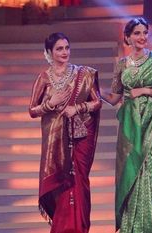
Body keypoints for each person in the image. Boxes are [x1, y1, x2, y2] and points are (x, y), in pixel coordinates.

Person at [100, 17, 152, 233]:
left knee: (150, 176)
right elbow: (115, 98)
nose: (142, 37)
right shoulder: (122, 64)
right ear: (127, 37)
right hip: (129, 128)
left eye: (145, 32)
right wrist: (94, 91)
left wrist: (144, 91)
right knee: (130, 178)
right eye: (137, 33)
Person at [29, 32, 101, 233]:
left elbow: (97, 102)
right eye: (59, 49)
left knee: (78, 180)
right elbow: (32, 110)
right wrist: (50, 104)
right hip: (55, 141)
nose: (64, 52)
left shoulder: (83, 74)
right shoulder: (43, 78)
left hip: (79, 137)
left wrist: (77, 109)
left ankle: (78, 228)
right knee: (61, 185)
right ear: (49, 53)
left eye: (67, 47)